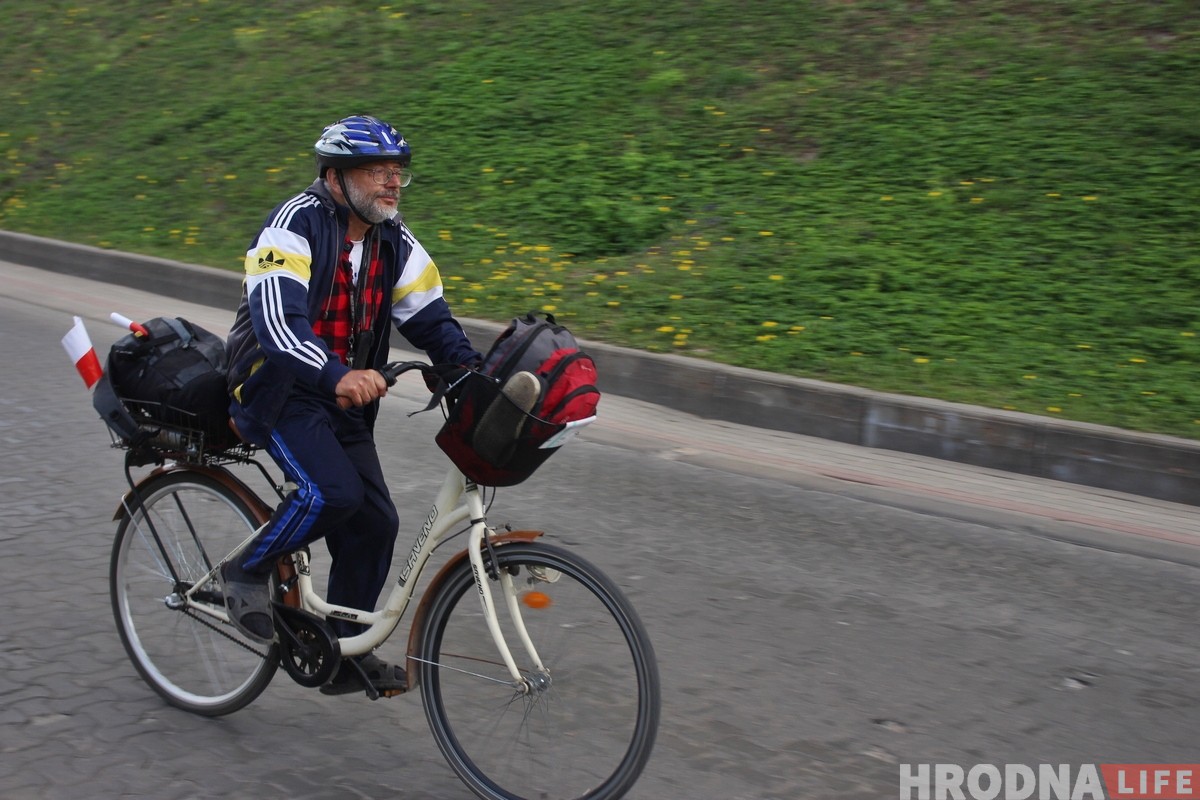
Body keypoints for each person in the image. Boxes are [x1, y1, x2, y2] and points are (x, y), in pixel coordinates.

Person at [221, 114, 482, 695]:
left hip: (344, 399)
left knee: (376, 522)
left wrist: (471, 374)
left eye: (397, 172)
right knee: (332, 493)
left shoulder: (393, 237)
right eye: (377, 171)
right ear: (335, 177)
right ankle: (245, 570)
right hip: (277, 390)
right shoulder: (291, 225)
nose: (392, 183)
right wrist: (336, 373)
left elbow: (431, 320)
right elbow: (277, 326)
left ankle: (339, 649)